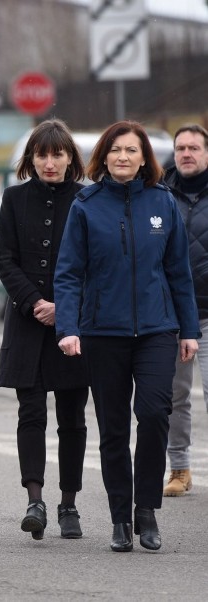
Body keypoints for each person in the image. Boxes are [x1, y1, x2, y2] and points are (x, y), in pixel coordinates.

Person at [55, 120, 200, 553]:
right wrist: (68, 327)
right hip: (103, 332)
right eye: (116, 150)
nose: (123, 157)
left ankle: (146, 512)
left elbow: (179, 272)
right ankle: (120, 517)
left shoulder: (162, 203)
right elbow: (68, 273)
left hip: (157, 329)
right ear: (105, 155)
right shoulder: (86, 205)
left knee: (155, 413)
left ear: (144, 158)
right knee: (114, 429)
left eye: (131, 151)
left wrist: (188, 329)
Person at [0, 119, 90, 540]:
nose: (50, 162)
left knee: (72, 417)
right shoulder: (14, 199)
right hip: (26, 324)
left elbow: (95, 264)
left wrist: (65, 307)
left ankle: (69, 504)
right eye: (42, 155)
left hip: (73, 325)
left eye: (57, 154)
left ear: (70, 158)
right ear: (31, 159)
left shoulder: (87, 200)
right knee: (30, 412)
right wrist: (34, 302)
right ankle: (35, 499)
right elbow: (4, 258)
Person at [162, 124, 208, 497]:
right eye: (181, 148)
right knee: (174, 397)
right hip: (173, 315)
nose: (186, 153)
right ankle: (179, 469)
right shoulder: (160, 193)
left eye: (194, 147)